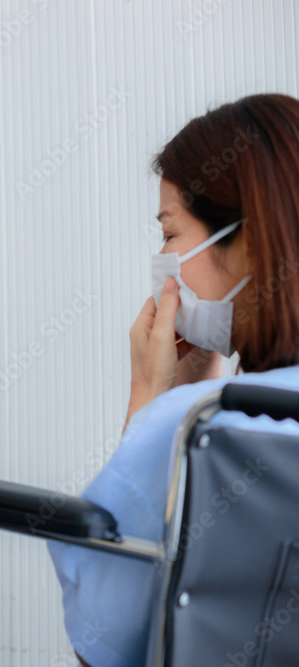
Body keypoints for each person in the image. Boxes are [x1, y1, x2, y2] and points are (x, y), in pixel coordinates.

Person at [47, 92, 299, 666]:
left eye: (168, 234)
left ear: (251, 243)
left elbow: (104, 648)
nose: (161, 257)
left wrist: (151, 401)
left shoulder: (195, 430)